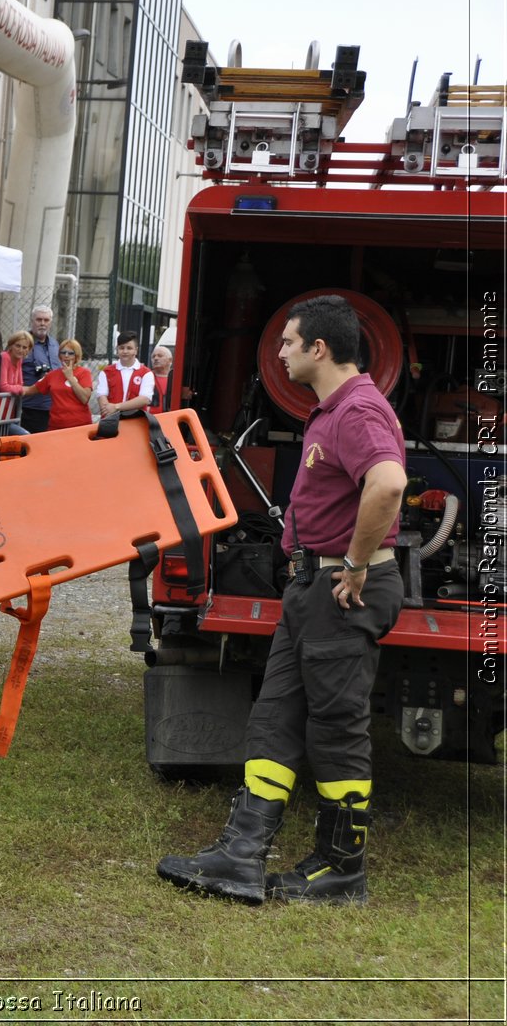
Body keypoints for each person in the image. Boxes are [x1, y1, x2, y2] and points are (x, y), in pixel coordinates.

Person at [157, 295, 405, 906]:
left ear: (320, 348)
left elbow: (390, 483)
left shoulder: (358, 411)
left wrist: (351, 565)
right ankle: (241, 854)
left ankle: (341, 869)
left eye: (289, 342)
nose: (281, 352)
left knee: (336, 729)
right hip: (310, 590)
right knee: (274, 718)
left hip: (339, 590)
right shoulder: (333, 410)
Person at [20, 337, 92, 429]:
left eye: (70, 353)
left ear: (76, 356)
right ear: (59, 355)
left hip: (79, 426)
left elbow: (85, 398)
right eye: (63, 352)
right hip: (56, 426)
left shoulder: (84, 373)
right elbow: (30, 389)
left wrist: (70, 378)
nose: (66, 355)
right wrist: (11, 388)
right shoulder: (52, 375)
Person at [20, 305, 62, 433]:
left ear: (51, 322)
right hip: (28, 407)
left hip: (53, 407)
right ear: (32, 321)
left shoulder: (55, 344)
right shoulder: (21, 343)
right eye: (39, 320)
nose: (42, 323)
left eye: (46, 320)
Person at [94, 332, 155, 418]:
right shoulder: (106, 371)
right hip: (111, 421)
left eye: (129, 348)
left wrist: (116, 407)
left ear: (136, 350)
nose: (125, 351)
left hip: (136, 422)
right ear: (117, 349)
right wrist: (108, 412)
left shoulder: (146, 373)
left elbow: (145, 399)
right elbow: (101, 395)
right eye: (121, 348)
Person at [149, 343, 174, 414]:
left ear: (170, 360)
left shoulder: (176, 379)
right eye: (153, 357)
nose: (156, 358)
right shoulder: (146, 377)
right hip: (150, 419)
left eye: (160, 356)